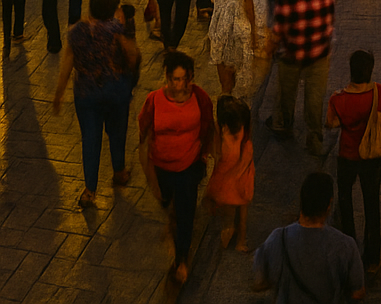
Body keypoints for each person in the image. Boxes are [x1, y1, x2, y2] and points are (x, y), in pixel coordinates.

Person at [53, 0, 140, 208]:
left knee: (90, 140)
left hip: (86, 93)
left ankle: (89, 190)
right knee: (117, 132)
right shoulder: (117, 29)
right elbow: (132, 55)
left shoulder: (76, 31)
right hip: (115, 91)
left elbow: (67, 64)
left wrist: (59, 94)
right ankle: (119, 171)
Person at [138, 51, 215, 285]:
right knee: (168, 203)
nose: (178, 85)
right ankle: (172, 217)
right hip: (162, 168)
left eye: (183, 79)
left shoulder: (200, 98)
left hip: (189, 166)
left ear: (190, 77)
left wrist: (207, 157)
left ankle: (181, 260)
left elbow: (210, 128)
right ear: (167, 77)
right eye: (174, 79)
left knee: (186, 214)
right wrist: (151, 180)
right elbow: (143, 141)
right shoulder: (154, 101)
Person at [325, 49, 381, 275]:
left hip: (347, 155)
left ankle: (349, 248)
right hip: (372, 156)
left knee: (345, 200)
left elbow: (331, 123)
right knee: (371, 202)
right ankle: (372, 257)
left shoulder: (338, 98)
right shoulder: (380, 93)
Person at [252, 171, 365, 303]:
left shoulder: (278, 238)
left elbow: (259, 280)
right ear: (329, 205)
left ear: (302, 201)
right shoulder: (346, 245)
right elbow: (358, 292)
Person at [268, 0, 334, 155]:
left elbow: (279, 30)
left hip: (292, 54)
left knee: (286, 93)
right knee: (315, 99)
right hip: (319, 53)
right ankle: (314, 139)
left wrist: (268, 47)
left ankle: (284, 125)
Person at [208, 0, 264, 95]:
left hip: (221, 34)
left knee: (225, 83)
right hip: (239, 33)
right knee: (239, 76)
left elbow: (215, 4)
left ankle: (225, 103)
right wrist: (253, 34)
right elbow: (249, 9)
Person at [206, 94, 255, 252]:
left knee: (237, 208)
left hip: (238, 174)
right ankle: (236, 236)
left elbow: (218, 153)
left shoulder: (233, 129)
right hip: (233, 173)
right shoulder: (224, 129)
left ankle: (236, 236)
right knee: (237, 208)